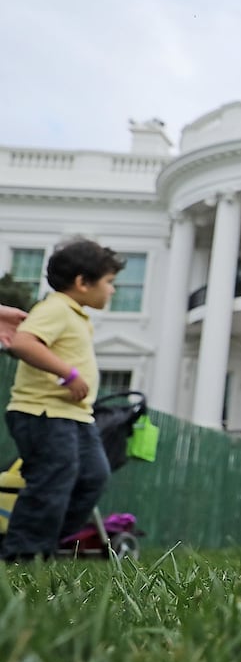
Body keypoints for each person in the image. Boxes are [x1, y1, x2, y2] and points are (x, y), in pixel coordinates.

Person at [1, 240, 122, 561]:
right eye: (108, 282)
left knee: (93, 477)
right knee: (52, 480)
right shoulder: (56, 308)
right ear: (82, 282)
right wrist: (68, 375)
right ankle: (22, 555)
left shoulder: (76, 315)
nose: (112, 290)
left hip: (76, 417)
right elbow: (24, 343)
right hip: (43, 413)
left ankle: (43, 543)